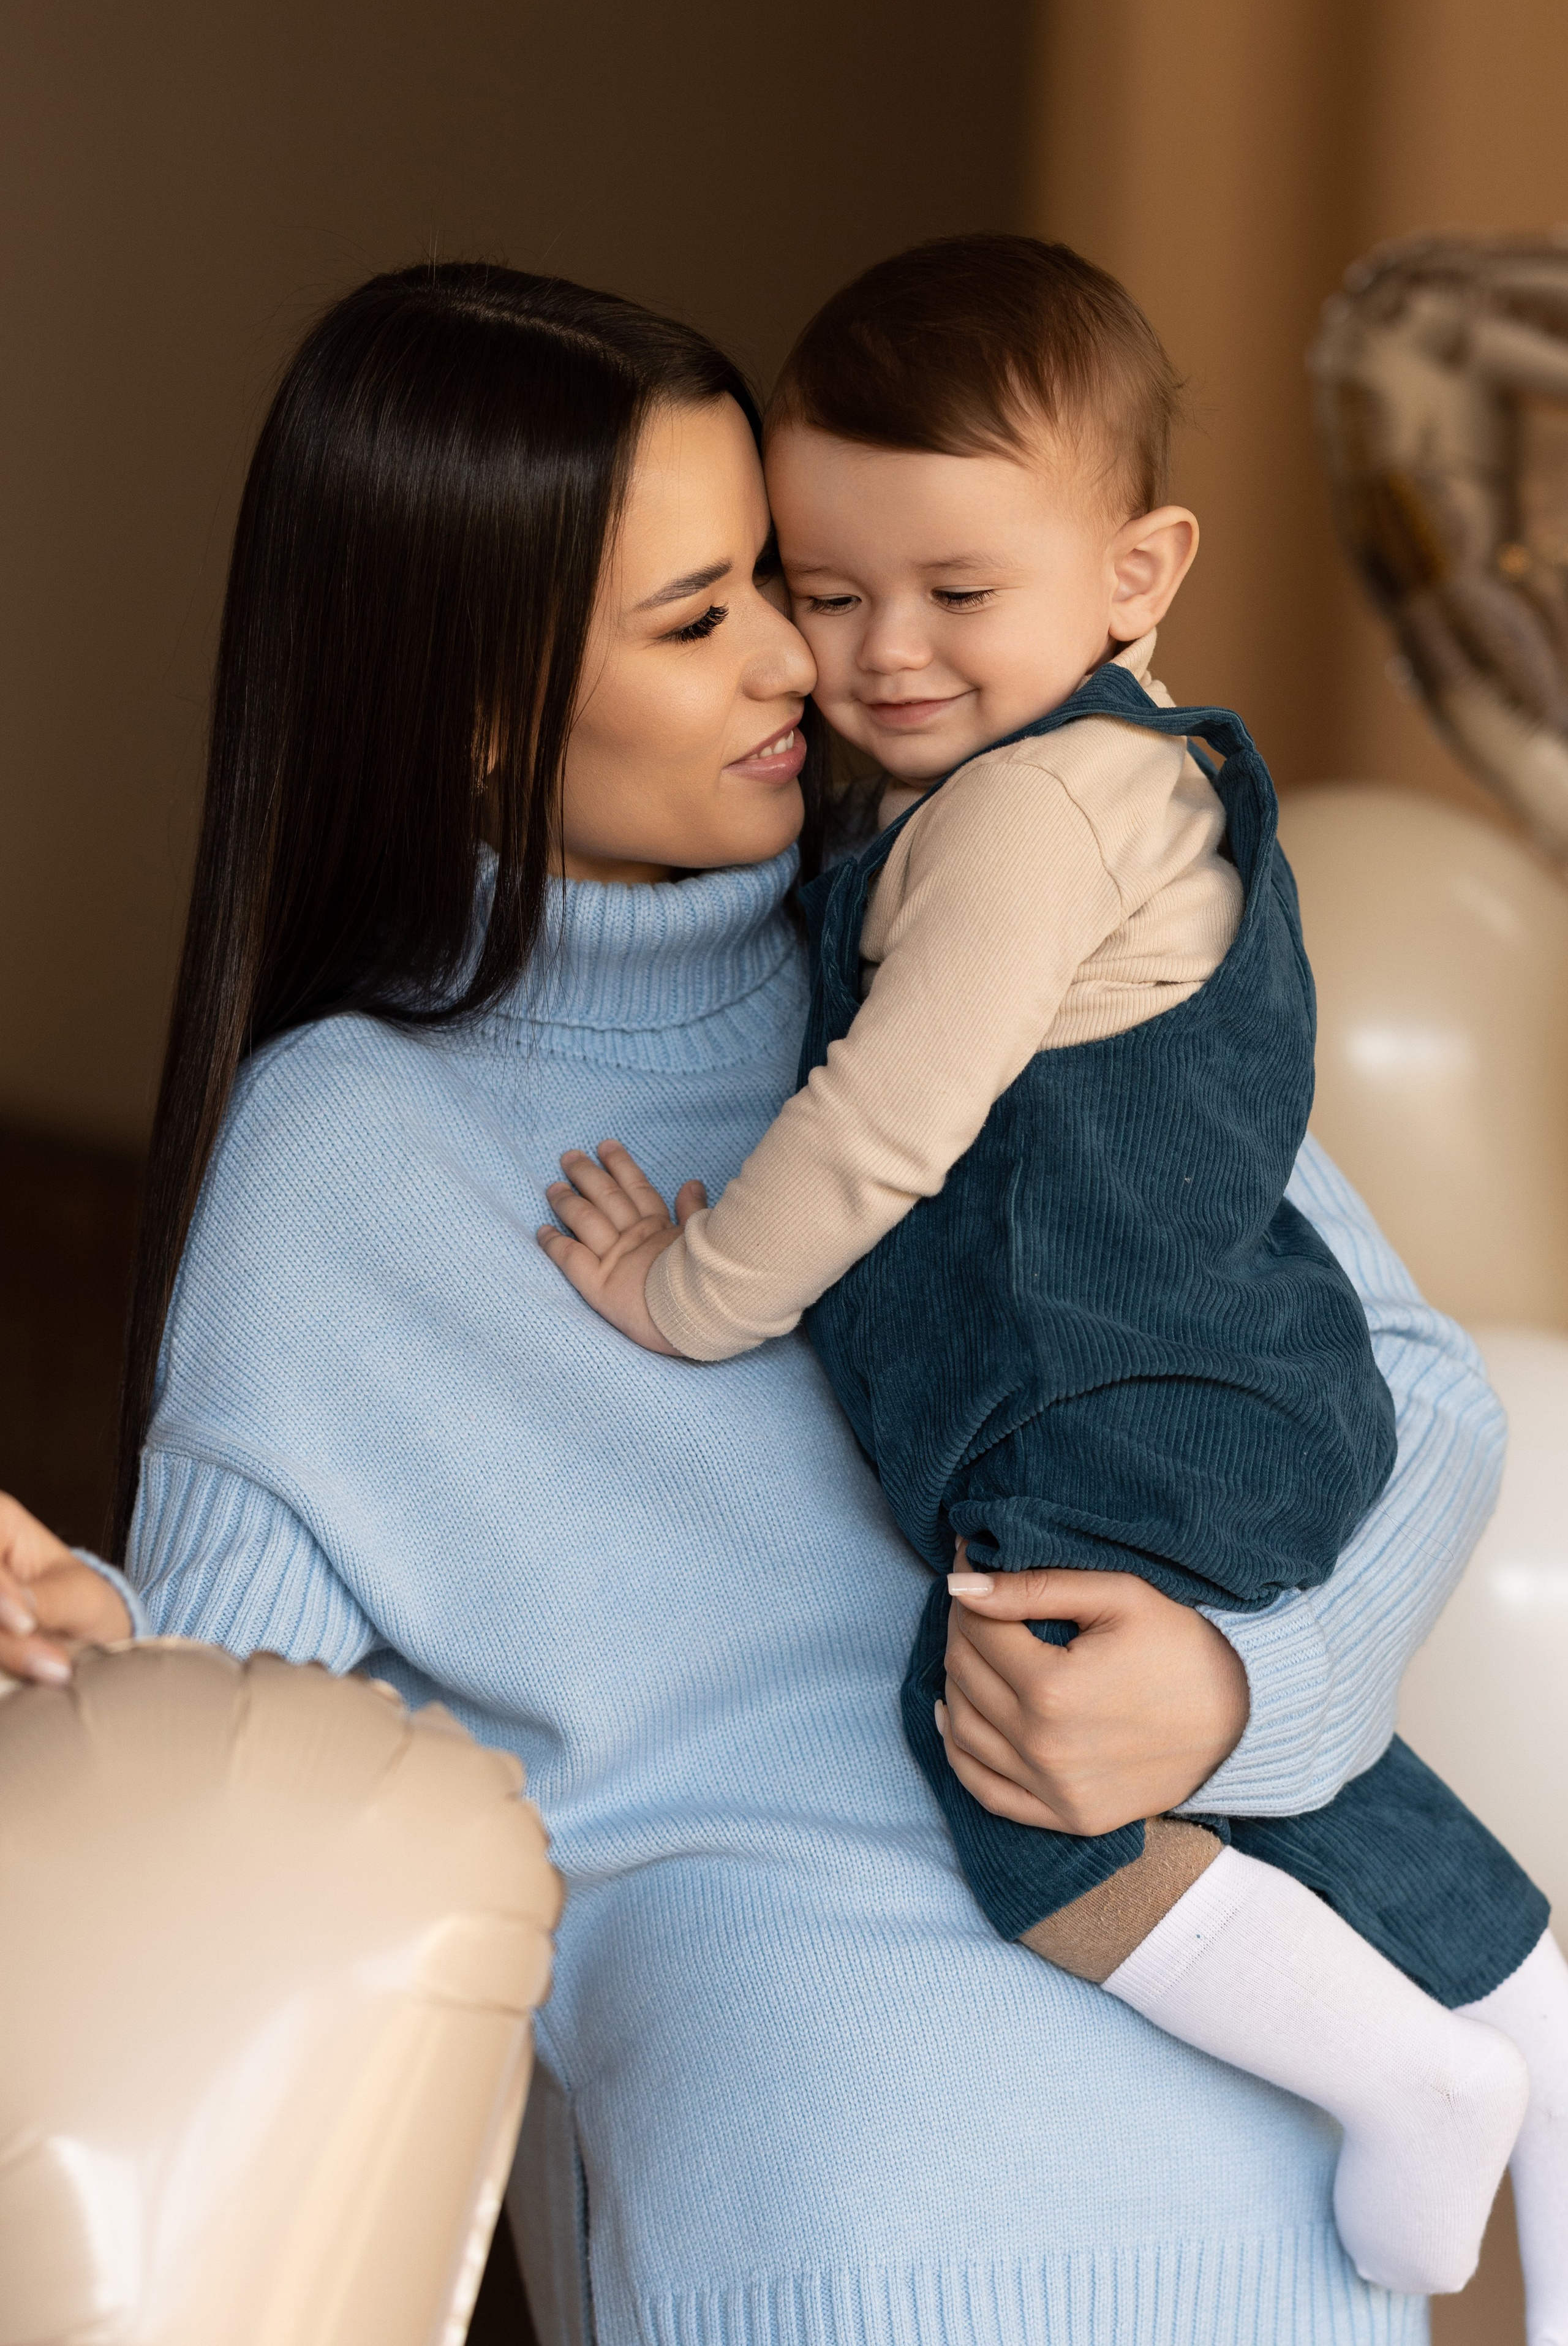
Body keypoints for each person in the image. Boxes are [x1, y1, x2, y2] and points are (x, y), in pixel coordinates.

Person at [75, 259, 1516, 2344]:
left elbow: (1412, 1384)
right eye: (705, 616)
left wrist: (1239, 1688)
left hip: (1282, 2150)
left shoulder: (992, 906)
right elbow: (240, 1767)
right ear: (479, 705)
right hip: (823, 2213)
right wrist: (71, 1668)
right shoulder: (350, 1155)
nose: (812, 655)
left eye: (785, 571)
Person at [537, 238, 1567, 2312]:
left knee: (1025, 1795)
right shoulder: (1102, 777)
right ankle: (1523, 1988)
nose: (881, 654)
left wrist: (689, 1290)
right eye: (824, 596)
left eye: (956, 594)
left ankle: (1407, 2079)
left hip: (1118, 1412)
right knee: (1304, 1790)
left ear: (1135, 570)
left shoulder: (1031, 827)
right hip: (1218, 1397)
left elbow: (878, 1129)